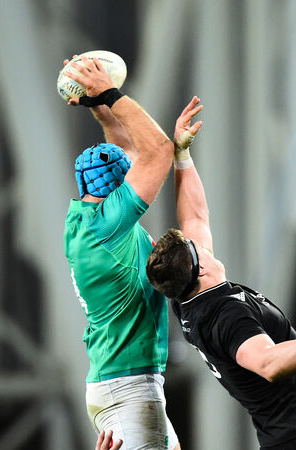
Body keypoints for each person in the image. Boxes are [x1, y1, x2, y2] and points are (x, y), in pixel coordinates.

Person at [145, 99, 296, 450]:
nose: (203, 243)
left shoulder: (188, 296)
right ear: (200, 267)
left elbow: (195, 217)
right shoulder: (226, 315)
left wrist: (183, 156)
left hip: (286, 437)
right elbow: (268, 363)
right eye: (197, 248)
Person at [62, 53, 202, 450]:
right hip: (129, 389)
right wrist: (110, 92)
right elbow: (156, 150)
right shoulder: (110, 225)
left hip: (116, 383)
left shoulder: (84, 218)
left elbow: (125, 151)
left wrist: (100, 107)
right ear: (120, 187)